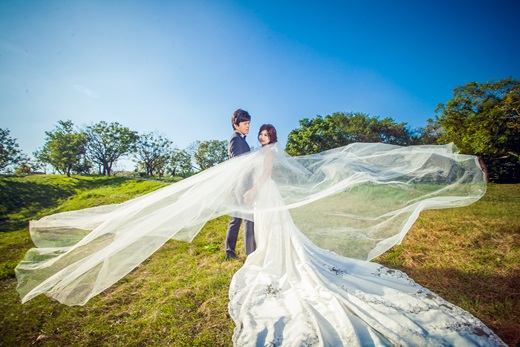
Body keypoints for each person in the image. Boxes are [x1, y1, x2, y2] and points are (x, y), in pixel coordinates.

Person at [15, 123, 506, 346]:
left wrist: (253, 194)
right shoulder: (245, 145)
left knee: (274, 236)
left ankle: (270, 260)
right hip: (261, 197)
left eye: (267, 134)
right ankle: (261, 255)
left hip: (265, 197)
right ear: (251, 132)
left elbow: (266, 175)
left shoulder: (267, 154)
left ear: (271, 137)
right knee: (267, 235)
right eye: (261, 134)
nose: (264, 138)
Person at [225, 109, 256, 260]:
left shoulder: (241, 139)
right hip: (242, 185)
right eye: (245, 123)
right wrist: (248, 188)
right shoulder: (236, 139)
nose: (248, 126)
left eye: (249, 123)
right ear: (236, 125)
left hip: (237, 185)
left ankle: (229, 252)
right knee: (249, 218)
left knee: (235, 219)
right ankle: (251, 253)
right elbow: (239, 164)